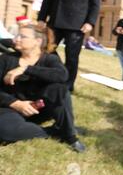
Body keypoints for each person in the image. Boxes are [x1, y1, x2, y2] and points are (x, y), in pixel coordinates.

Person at [0, 24, 86, 152]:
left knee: (59, 89)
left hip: (40, 109)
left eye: (22, 36)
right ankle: (56, 131)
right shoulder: (6, 59)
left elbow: (62, 75)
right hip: (11, 109)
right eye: (17, 35)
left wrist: (26, 69)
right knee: (5, 132)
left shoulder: (50, 59)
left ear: (37, 41)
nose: (16, 39)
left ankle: (69, 136)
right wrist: (15, 103)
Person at [37, 0, 100, 92]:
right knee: (47, 51)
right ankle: (49, 76)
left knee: (72, 57)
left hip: (76, 26)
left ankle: (67, 85)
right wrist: (41, 18)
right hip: (55, 23)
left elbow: (95, 5)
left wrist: (90, 22)